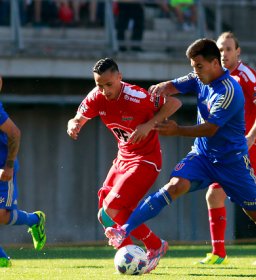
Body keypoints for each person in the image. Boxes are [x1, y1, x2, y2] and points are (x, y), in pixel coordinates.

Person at [105, 39, 256, 271]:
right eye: (193, 66)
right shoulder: (200, 77)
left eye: (199, 66)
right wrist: (164, 86)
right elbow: (178, 84)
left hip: (232, 163)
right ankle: (124, 229)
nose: (195, 72)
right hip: (202, 157)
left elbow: (211, 128)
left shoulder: (230, 91)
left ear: (215, 63)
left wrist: (178, 130)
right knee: (174, 185)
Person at [66, 58, 182, 273]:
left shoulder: (137, 97)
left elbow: (175, 103)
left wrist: (149, 125)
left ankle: (149, 247)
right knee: (104, 214)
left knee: (111, 209)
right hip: (123, 159)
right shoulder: (96, 97)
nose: (104, 90)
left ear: (120, 77)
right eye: (99, 85)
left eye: (109, 84)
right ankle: (142, 251)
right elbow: (78, 118)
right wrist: (73, 124)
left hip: (146, 160)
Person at [196, 31, 256, 266]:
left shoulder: (247, 75)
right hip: (227, 149)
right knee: (214, 194)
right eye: (220, 50)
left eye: (228, 49)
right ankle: (219, 253)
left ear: (238, 52)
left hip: (252, 147)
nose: (224, 54)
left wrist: (251, 137)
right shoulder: (215, 79)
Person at [0, 76, 46, 268]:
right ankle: (2, 258)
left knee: (2, 215)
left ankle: (35, 220)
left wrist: (9, 165)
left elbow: (14, 133)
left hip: (3, 169)